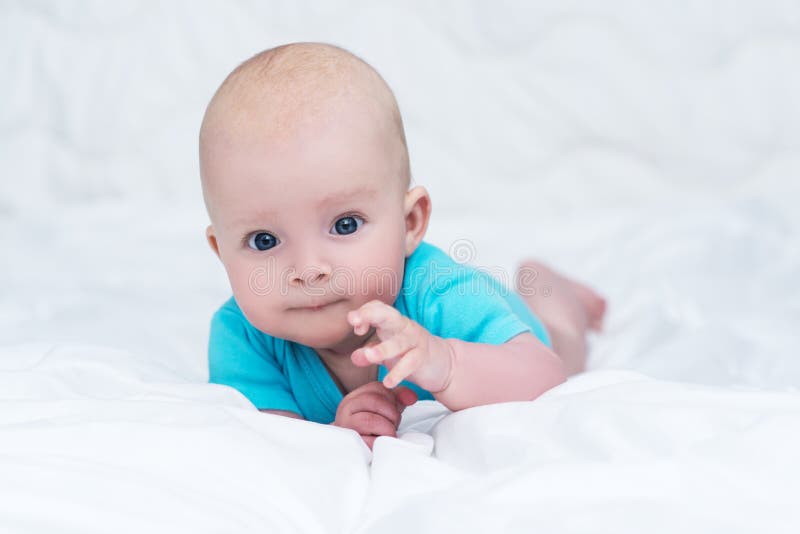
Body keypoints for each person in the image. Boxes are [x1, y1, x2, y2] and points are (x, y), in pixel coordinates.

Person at [200, 42, 606, 450]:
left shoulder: (439, 290)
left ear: (410, 223)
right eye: (264, 240)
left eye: (344, 225)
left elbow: (544, 376)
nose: (308, 269)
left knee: (565, 338)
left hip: (517, 336)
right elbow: (277, 444)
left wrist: (445, 363)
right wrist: (343, 434)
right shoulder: (241, 336)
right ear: (222, 253)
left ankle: (558, 294)